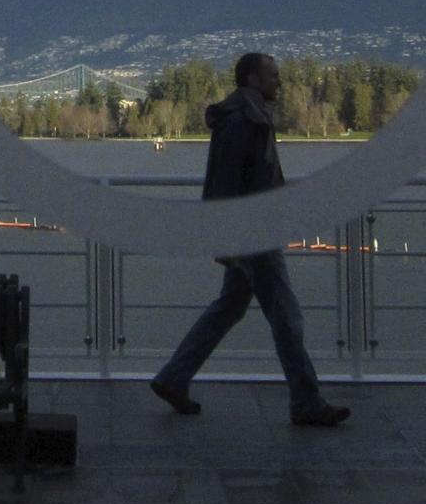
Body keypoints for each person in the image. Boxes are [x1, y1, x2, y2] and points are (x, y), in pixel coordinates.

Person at [150, 52, 350, 427]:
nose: (280, 81)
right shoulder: (246, 120)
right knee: (287, 317)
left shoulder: (247, 116)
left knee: (229, 307)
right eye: (273, 75)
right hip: (253, 234)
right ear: (252, 80)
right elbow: (230, 181)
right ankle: (306, 401)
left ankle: (173, 378)